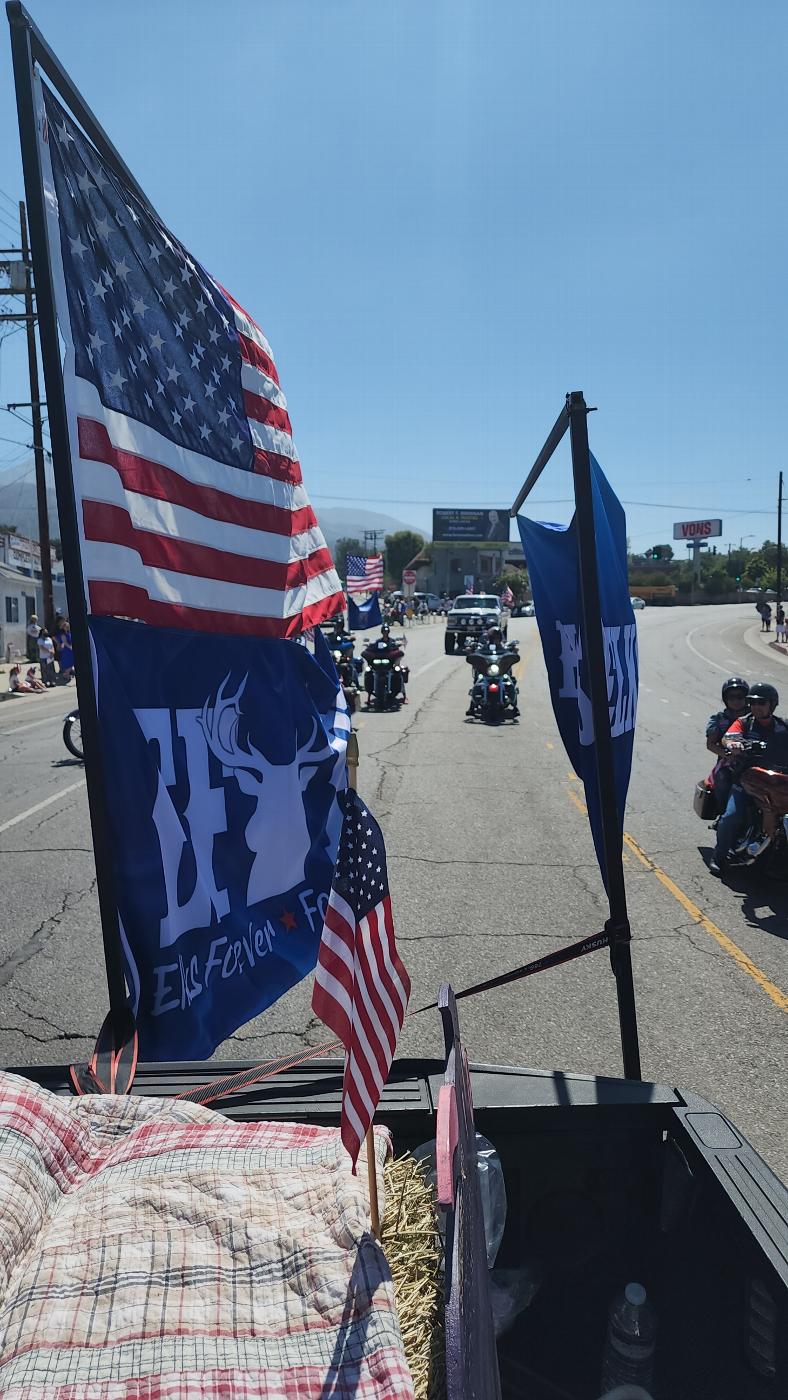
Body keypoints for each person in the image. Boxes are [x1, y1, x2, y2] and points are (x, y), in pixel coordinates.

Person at [711, 682, 788, 876]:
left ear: (772, 704)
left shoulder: (783, 727)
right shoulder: (744, 723)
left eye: (761, 702)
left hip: (777, 783)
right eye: (752, 702)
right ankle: (719, 857)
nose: (756, 706)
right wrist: (734, 744)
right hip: (749, 782)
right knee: (731, 816)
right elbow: (729, 737)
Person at [706, 676, 749, 813]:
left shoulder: (754, 717)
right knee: (723, 779)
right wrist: (727, 755)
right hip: (728, 764)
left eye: (740, 696)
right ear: (726, 699)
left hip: (753, 762)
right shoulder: (719, 719)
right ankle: (723, 811)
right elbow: (711, 744)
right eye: (732, 697)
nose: (736, 700)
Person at [54, 617, 74, 682]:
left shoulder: (69, 633)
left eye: (68, 626)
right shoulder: (63, 634)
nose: (67, 627)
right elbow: (65, 642)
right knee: (69, 663)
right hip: (67, 650)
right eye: (66, 626)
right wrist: (70, 648)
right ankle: (66, 674)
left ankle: (66, 674)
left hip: (70, 650)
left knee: (72, 662)